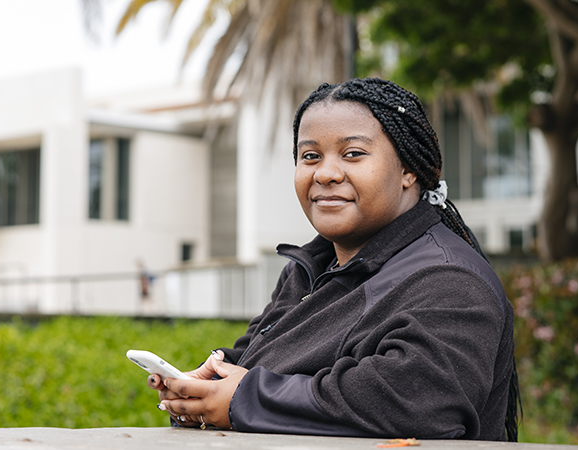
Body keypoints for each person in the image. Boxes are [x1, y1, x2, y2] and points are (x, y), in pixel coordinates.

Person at [148, 78, 519, 441]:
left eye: (353, 154)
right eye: (310, 156)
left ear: (408, 171)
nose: (325, 173)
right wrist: (206, 387)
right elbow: (251, 368)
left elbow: (419, 403)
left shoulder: (449, 279)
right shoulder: (307, 269)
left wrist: (244, 398)